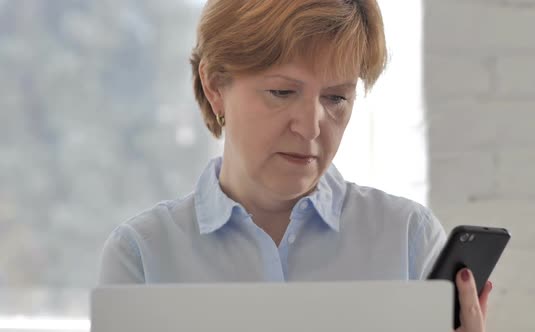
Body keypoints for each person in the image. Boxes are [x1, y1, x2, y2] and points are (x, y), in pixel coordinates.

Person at [98, 0, 492, 331]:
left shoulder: (408, 238)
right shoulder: (143, 253)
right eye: (282, 92)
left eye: (336, 98)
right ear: (215, 86)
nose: (309, 127)